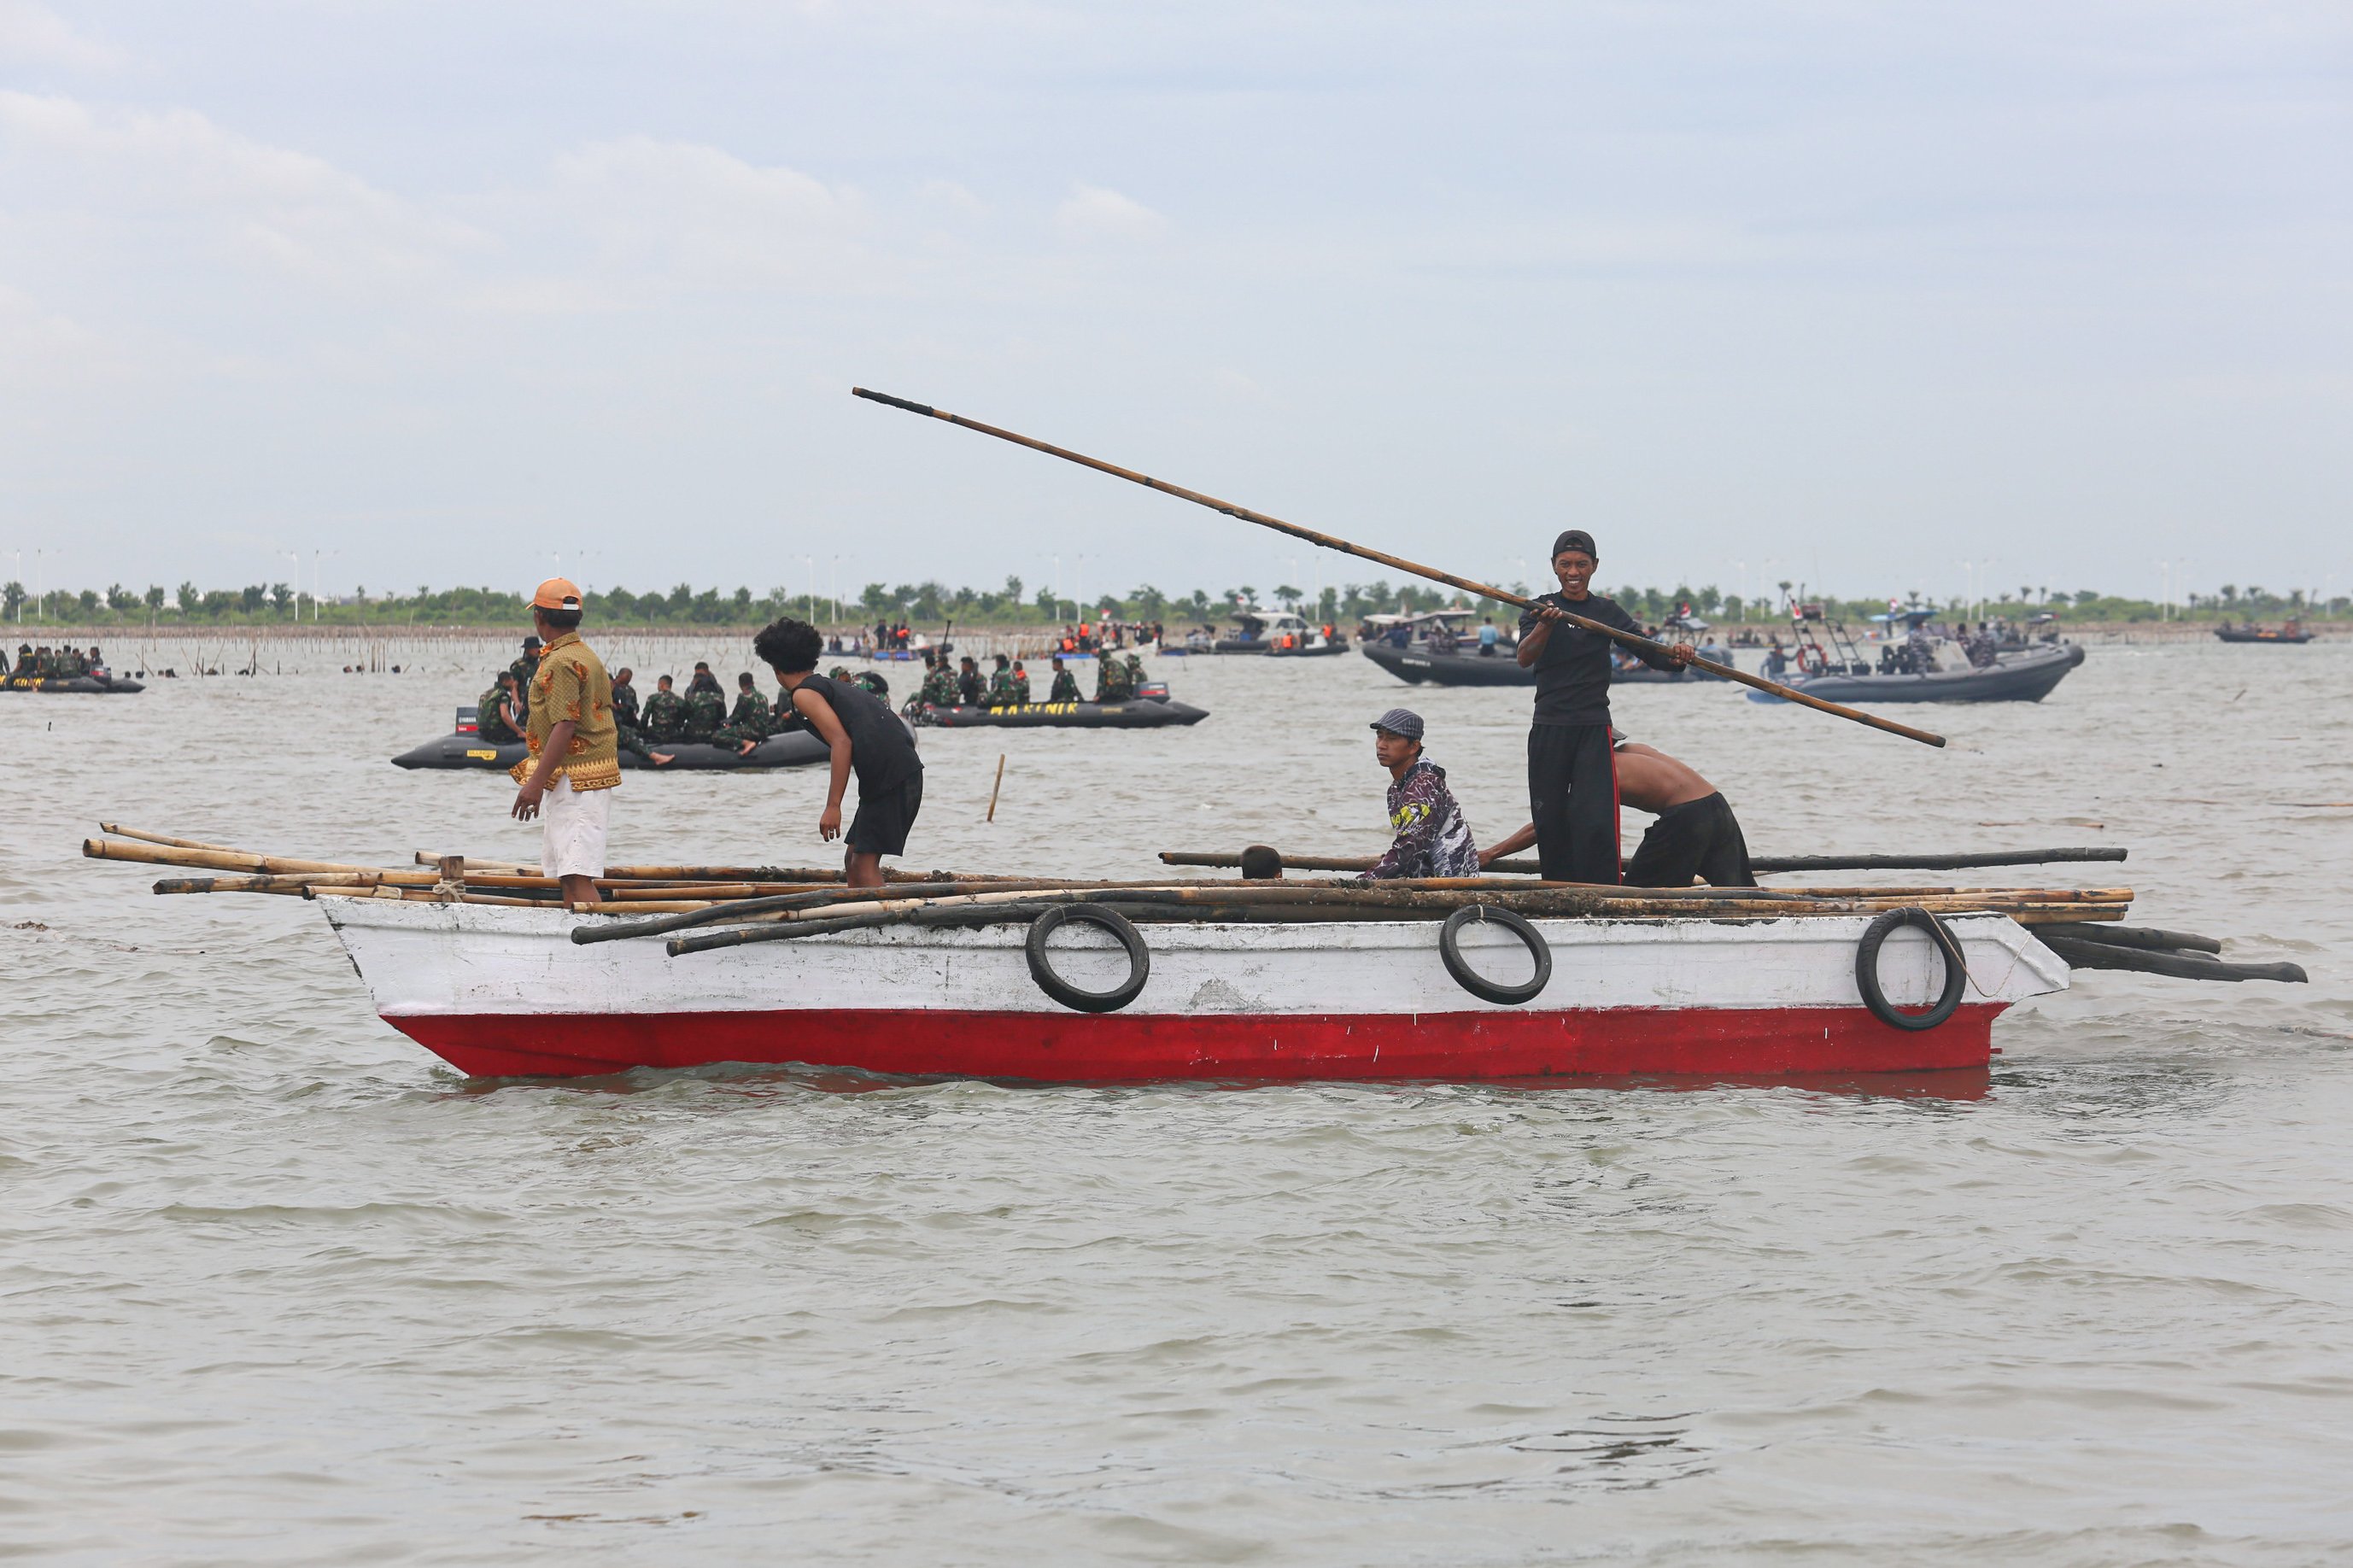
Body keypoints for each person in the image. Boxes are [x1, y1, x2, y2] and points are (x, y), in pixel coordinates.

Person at [1515, 529, 1694, 884]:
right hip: (1549, 727)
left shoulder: (1606, 612)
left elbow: (1646, 650)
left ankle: (1603, 893)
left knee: (1596, 819)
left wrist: (1678, 657)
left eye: (1581, 564)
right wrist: (1546, 626)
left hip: (1593, 728)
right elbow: (1524, 657)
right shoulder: (1538, 609)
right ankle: (1556, 891)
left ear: (1594, 567)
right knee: (1549, 819)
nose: (1573, 571)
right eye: (1565, 564)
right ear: (1554, 567)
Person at [754, 617, 923, 888]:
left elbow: (841, 742)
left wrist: (833, 806)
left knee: (863, 863)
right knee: (852, 859)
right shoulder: (829, 686)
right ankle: (861, 920)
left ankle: (886, 925)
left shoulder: (803, 694)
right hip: (894, 774)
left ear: (776, 668)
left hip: (891, 777)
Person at [1481, 734, 1754, 888]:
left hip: (1686, 819)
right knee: (1741, 892)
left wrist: (1492, 853)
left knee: (1638, 895)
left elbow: (1546, 825)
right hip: (1717, 807)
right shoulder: (1635, 750)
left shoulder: (1600, 772)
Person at [508, 579, 617, 906]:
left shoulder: (560, 662)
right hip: (574, 777)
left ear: (539, 618)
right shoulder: (581, 654)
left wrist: (534, 784)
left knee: (577, 875)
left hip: (578, 780)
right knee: (568, 875)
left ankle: (598, 950)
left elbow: (565, 725)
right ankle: (580, 950)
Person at [1358, 708, 1479, 881]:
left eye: (1392, 738)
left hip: (1449, 882)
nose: (1382, 744)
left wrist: (1364, 881)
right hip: (1424, 878)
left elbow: (1410, 848)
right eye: (1380, 736)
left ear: (1414, 746)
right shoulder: (1397, 788)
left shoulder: (1424, 785)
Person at [716, 671, 772, 753]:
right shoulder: (763, 696)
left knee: (717, 735)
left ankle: (746, 743)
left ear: (740, 684)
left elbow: (736, 718)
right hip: (764, 732)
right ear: (753, 683)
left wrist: (724, 723)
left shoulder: (744, 696)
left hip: (752, 732)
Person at [476, 670, 524, 745]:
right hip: (496, 731)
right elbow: (504, 715)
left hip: (483, 730)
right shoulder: (503, 695)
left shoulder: (487, 693)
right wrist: (520, 732)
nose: (513, 685)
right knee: (526, 732)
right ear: (505, 682)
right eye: (511, 682)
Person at [641, 674, 688, 743]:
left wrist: (643, 729)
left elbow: (645, 717)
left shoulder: (653, 698)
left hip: (655, 732)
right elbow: (682, 718)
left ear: (661, 684)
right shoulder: (679, 700)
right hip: (673, 733)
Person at [682, 672, 726, 743]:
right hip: (713, 733)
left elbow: (683, 716)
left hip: (692, 734)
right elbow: (723, 717)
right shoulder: (719, 698)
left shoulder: (690, 698)